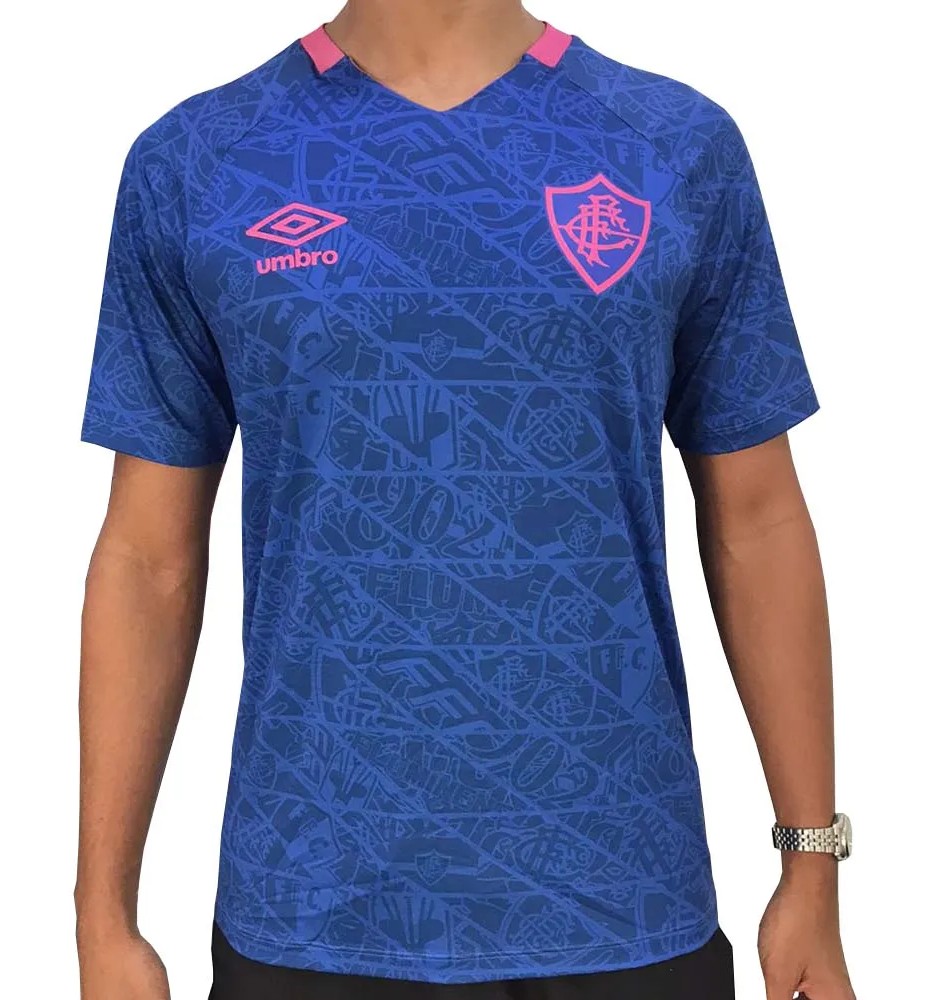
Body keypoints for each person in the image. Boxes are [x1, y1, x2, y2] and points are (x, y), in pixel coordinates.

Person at [74, 2, 857, 998]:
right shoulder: (199, 163)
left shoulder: (674, 147)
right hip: (312, 907)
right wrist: (102, 915)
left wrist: (811, 864)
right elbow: (147, 556)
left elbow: (758, 519)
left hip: (622, 898)